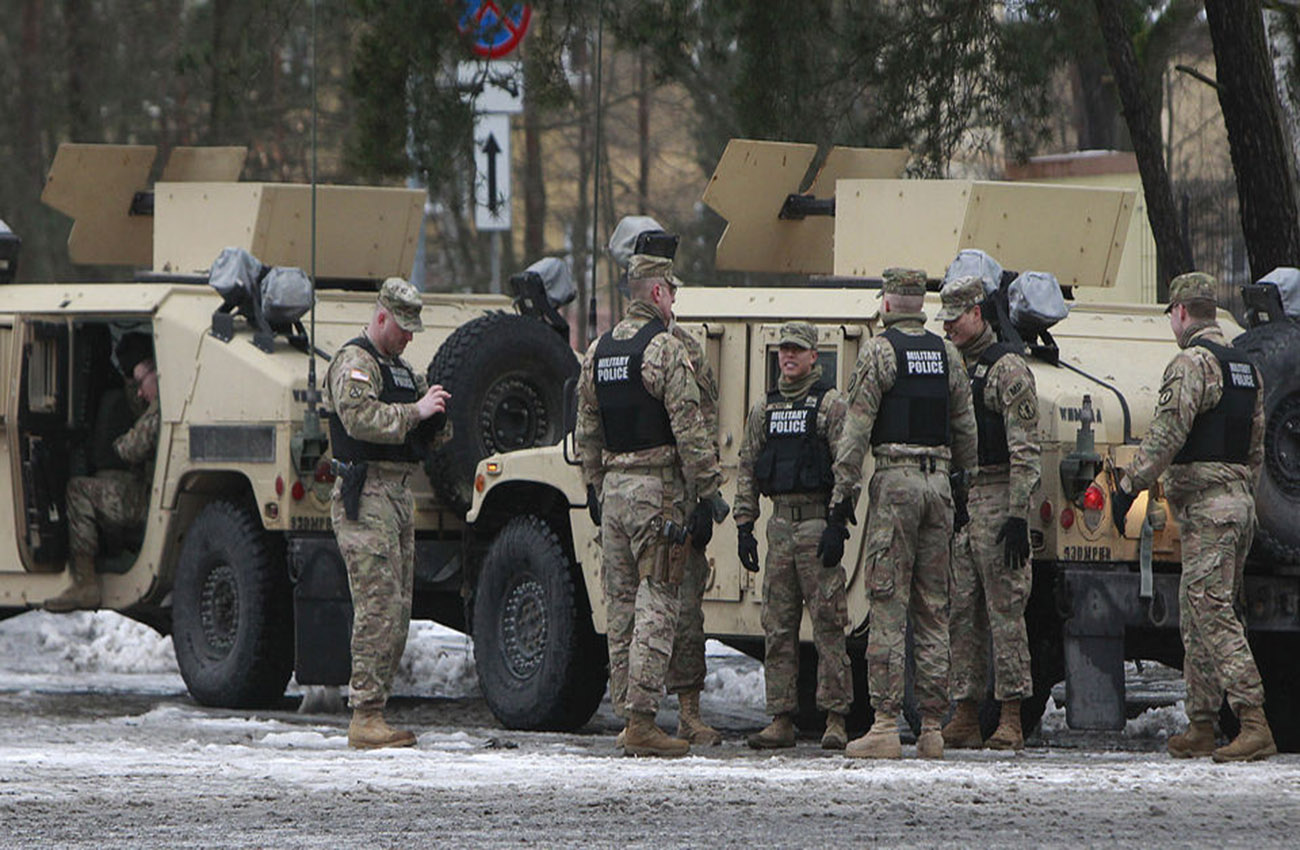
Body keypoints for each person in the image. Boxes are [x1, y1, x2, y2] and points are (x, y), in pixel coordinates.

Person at [1111, 271, 1275, 762]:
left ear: (1181, 313)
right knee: (1198, 615)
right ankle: (1201, 723)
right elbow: (1257, 447)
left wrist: (1127, 486)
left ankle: (1253, 720)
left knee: (1213, 613)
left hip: (1209, 508)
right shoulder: (1246, 367)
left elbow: (1166, 436)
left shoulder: (1191, 364)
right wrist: (1238, 490)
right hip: (1236, 505)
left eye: (1171, 317)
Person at [576, 252, 721, 757]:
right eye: (672, 292)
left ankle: (626, 715)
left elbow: (586, 430)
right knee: (659, 600)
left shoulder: (598, 352)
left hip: (613, 493)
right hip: (656, 493)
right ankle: (642, 722)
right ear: (658, 293)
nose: (673, 301)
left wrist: (595, 485)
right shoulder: (663, 349)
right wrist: (708, 491)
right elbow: (689, 426)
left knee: (621, 608)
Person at [830, 267, 977, 760]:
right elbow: (966, 428)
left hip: (896, 483)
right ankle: (934, 726)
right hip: (940, 484)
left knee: (887, 605)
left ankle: (886, 723)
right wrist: (964, 486)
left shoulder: (880, 351)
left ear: (888, 305)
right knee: (934, 608)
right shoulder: (947, 353)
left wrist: (841, 499)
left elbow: (855, 431)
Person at [325, 277, 451, 750]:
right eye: (402, 327)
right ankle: (365, 715)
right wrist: (416, 413)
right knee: (377, 604)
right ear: (381, 317)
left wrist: (435, 417)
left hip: (397, 495)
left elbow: (422, 426)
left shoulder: (400, 370)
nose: (408, 338)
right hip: (367, 491)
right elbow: (360, 419)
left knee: (398, 609)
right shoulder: (356, 362)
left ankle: (376, 710)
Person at [935, 276, 1042, 751]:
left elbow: (1026, 450)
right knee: (962, 613)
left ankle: (1011, 716)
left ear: (978, 313)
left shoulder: (1008, 370)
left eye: (956, 319)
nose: (950, 327)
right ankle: (965, 712)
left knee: (1005, 613)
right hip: (965, 501)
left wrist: (1018, 515)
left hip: (999, 498)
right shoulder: (957, 367)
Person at [735, 322, 853, 751]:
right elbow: (747, 466)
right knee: (778, 626)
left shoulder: (830, 406)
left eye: (796, 351)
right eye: (783, 350)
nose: (788, 357)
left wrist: (839, 521)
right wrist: (744, 527)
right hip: (780, 524)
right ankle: (780, 717)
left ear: (813, 358)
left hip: (816, 522)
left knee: (829, 624)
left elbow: (847, 465)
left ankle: (836, 718)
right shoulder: (764, 409)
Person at [47, 333, 160, 612]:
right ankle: (112, 547)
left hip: (150, 499)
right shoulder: (163, 400)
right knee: (103, 480)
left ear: (157, 373)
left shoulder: (159, 410)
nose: (139, 392)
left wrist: (119, 444)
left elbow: (130, 449)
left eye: (140, 382)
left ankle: (86, 584)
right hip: (150, 489)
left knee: (78, 489)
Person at [664, 311, 725, 747]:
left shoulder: (687, 350)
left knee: (686, 607)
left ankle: (688, 712)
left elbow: (704, 422)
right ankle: (636, 715)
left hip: (681, 492)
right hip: (634, 492)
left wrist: (705, 492)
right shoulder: (612, 348)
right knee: (629, 607)